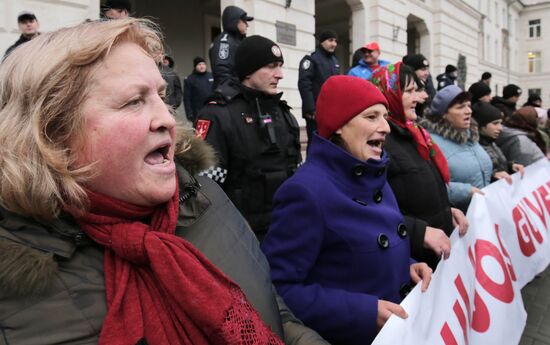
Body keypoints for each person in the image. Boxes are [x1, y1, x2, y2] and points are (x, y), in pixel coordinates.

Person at [0, 18, 328, 345]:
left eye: (161, 96)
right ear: (51, 132)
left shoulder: (203, 199)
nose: (168, 119)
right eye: (133, 101)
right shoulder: (18, 288)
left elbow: (273, 316)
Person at [262, 75, 433, 345]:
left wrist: (408, 267)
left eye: (385, 116)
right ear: (340, 124)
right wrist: (363, 312)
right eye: (372, 116)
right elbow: (278, 290)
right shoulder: (305, 192)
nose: (385, 126)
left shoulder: (373, 175)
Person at [196, 35, 301, 240]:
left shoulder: (283, 113)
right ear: (248, 71)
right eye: (271, 66)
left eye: (280, 66)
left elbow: (295, 171)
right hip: (239, 235)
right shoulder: (218, 113)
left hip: (285, 228)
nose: (279, 74)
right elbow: (206, 188)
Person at [370, 63, 468, 269]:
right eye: (409, 91)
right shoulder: (379, 142)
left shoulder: (416, 134)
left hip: (435, 253)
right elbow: (371, 210)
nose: (418, 97)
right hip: (411, 259)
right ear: (388, 94)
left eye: (417, 90)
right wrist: (419, 232)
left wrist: (446, 211)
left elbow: (420, 190)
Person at [419, 85, 492, 212]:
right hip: (459, 222)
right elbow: (428, 186)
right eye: (460, 107)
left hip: (483, 215)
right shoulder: (430, 143)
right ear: (443, 114)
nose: (468, 111)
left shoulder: (471, 135)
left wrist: (497, 172)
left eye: (468, 105)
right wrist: (465, 192)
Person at [298, 30, 341, 149]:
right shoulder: (311, 59)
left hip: (331, 111)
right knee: (315, 144)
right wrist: (311, 109)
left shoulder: (334, 61)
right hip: (315, 113)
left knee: (330, 143)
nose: (334, 44)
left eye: (335, 41)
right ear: (322, 42)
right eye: (330, 40)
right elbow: (304, 84)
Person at [473, 102, 525, 181]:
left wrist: (511, 166)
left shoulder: (491, 142)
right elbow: (475, 176)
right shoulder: (473, 147)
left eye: (501, 123)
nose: (500, 128)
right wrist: (493, 176)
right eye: (495, 123)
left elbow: (498, 165)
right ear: (480, 125)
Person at [209, 5, 254, 89]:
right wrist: (236, 92)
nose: (247, 25)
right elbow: (222, 72)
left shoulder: (237, 41)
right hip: (231, 96)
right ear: (235, 21)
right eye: (244, 21)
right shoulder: (225, 42)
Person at [183, 56, 213, 122]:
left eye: (203, 64)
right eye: (199, 64)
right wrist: (189, 113)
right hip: (197, 112)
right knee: (200, 132)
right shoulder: (190, 79)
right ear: (195, 66)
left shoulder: (211, 76)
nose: (202, 66)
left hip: (212, 110)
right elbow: (187, 98)